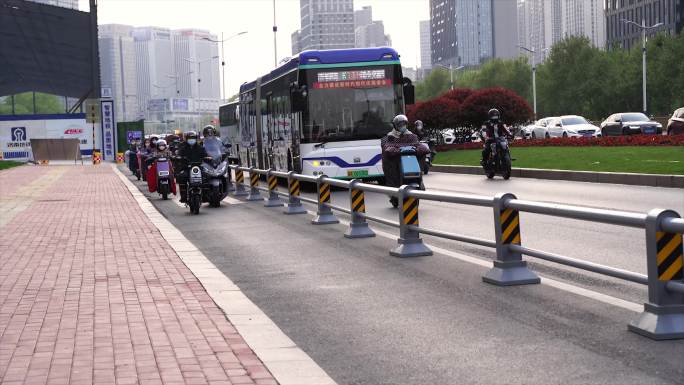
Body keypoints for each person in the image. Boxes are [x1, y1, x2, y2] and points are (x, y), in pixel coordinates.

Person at [381, 114, 429, 188]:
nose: (402, 126)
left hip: (410, 161)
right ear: (395, 126)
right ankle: (394, 188)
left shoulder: (412, 136)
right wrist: (397, 150)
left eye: (404, 124)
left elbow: (419, 145)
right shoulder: (389, 137)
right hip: (396, 164)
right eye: (400, 124)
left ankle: (420, 182)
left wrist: (418, 149)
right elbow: (386, 148)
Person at [175, 131, 208, 203]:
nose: (191, 140)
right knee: (182, 176)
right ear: (186, 139)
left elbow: (205, 155)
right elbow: (178, 155)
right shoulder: (183, 148)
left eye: (193, 138)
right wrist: (179, 158)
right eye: (190, 138)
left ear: (196, 139)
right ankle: (183, 197)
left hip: (198, 168)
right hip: (186, 168)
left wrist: (208, 158)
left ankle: (205, 196)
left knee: (206, 176)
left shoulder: (200, 148)